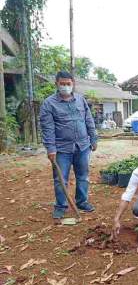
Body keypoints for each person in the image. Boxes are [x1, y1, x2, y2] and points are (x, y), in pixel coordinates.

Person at [40, 71, 97, 219]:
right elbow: (48, 128)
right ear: (57, 84)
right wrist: (50, 149)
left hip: (82, 146)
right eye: (62, 84)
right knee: (60, 179)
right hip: (61, 149)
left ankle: (82, 201)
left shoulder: (80, 100)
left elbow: (88, 120)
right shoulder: (49, 103)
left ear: (73, 84)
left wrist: (93, 138)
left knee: (83, 176)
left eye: (68, 84)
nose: (65, 86)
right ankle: (61, 206)